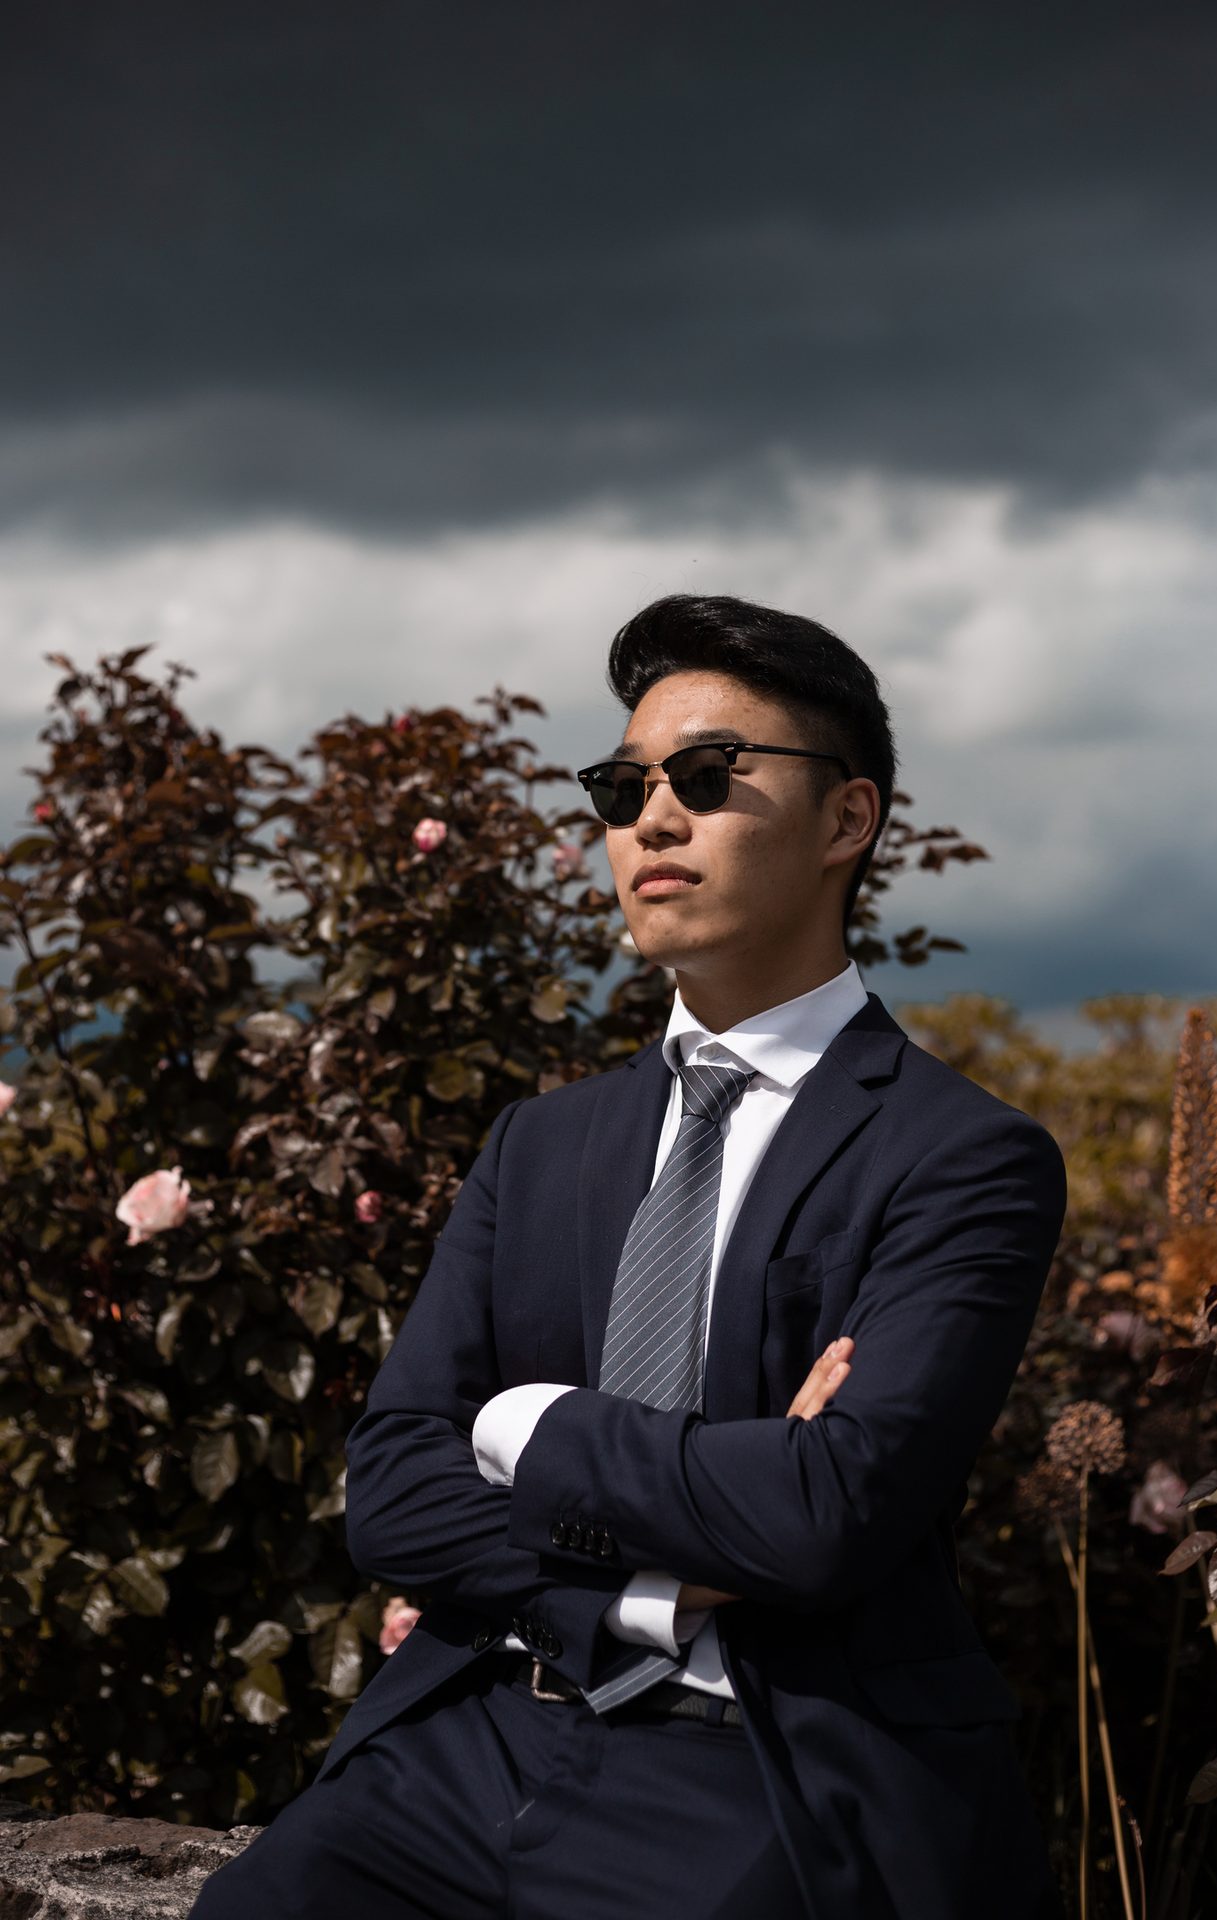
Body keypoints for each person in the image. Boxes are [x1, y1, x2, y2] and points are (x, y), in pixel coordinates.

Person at [192, 593, 1067, 1919]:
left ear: (848, 820)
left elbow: (825, 1512)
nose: (651, 817)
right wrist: (659, 1581)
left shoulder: (961, 1155)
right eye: (620, 785)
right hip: (473, 1734)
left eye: (709, 776)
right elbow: (394, 1485)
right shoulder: (540, 1144)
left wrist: (526, 1421)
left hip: (760, 1766)